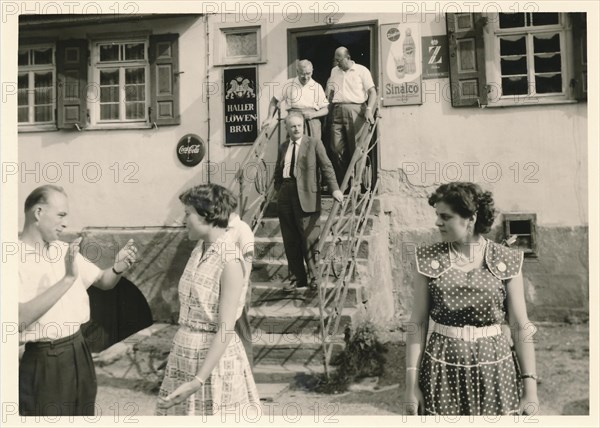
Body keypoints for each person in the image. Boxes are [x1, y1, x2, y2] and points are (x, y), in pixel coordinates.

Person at [403, 182, 539, 416]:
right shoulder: (428, 259)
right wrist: (411, 386)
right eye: (437, 216)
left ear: (471, 218)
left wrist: (530, 389)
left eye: (445, 216)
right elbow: (418, 324)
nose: (437, 222)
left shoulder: (505, 259)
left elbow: (519, 325)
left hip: (495, 369)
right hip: (442, 370)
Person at [18, 185, 138, 416]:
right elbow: (18, 319)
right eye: (61, 215)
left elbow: (104, 281)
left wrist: (118, 266)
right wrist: (68, 279)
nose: (65, 223)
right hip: (44, 359)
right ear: (38, 213)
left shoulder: (64, 249)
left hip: (79, 349)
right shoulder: (12, 258)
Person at [156, 184, 259, 415]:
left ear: (207, 214)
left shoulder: (230, 261)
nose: (183, 220)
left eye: (187, 213)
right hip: (183, 357)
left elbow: (225, 328)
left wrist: (197, 380)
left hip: (212, 366)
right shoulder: (198, 250)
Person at [274, 113, 343, 292]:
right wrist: (278, 190)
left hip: (306, 195)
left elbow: (327, 166)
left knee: (309, 237)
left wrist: (335, 189)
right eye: (293, 126)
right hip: (285, 194)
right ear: (287, 129)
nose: (296, 129)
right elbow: (278, 169)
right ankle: (299, 278)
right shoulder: (283, 147)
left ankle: (315, 277)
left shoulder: (314, 143)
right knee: (290, 239)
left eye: (299, 125)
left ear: (303, 126)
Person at [326, 46, 377, 185]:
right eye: (335, 60)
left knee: (357, 148)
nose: (337, 63)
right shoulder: (334, 71)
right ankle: (344, 183)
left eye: (339, 60)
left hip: (356, 110)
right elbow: (329, 90)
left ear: (347, 58)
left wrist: (369, 109)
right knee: (336, 149)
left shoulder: (361, 70)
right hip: (337, 110)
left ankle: (357, 184)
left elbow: (372, 92)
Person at [262, 59, 329, 141]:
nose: (305, 77)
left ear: (312, 71)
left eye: (308, 73)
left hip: (312, 122)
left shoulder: (317, 86)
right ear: (297, 72)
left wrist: (313, 115)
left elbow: (325, 109)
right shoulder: (289, 84)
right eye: (302, 74)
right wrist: (269, 118)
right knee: (294, 149)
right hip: (294, 122)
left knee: (311, 149)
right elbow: (274, 101)